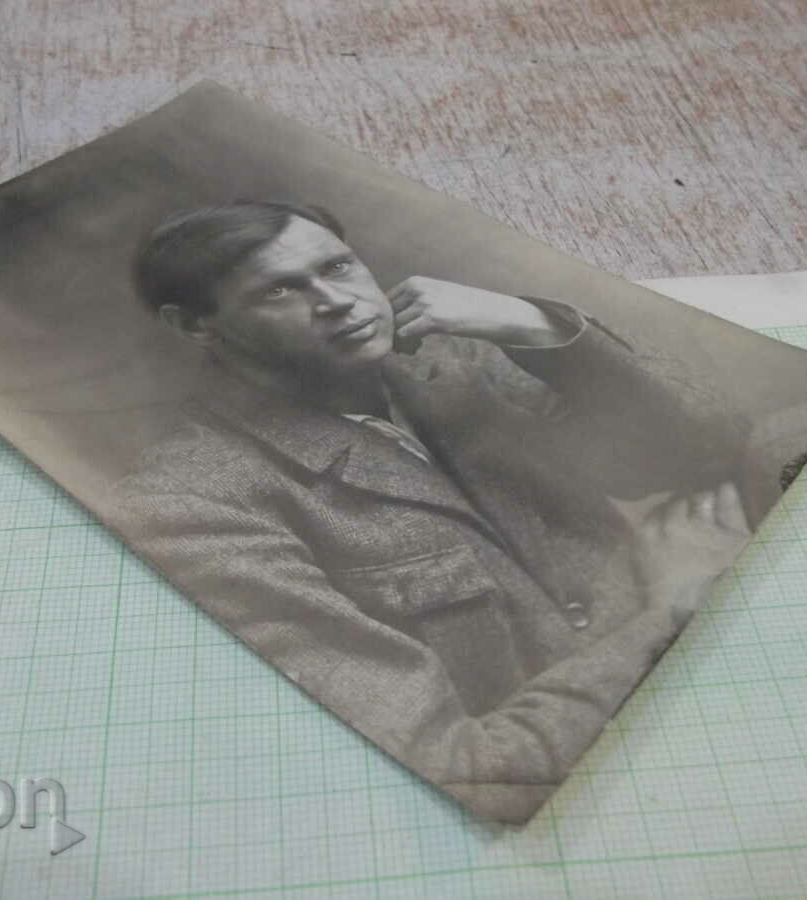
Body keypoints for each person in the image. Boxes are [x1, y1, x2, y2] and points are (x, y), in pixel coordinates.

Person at [114, 200, 757, 823]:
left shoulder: (456, 364)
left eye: (337, 267)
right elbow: (464, 768)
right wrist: (669, 613)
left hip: (718, 677)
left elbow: (706, 447)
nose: (339, 302)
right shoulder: (193, 501)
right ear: (194, 326)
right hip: (588, 789)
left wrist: (536, 325)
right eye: (279, 291)